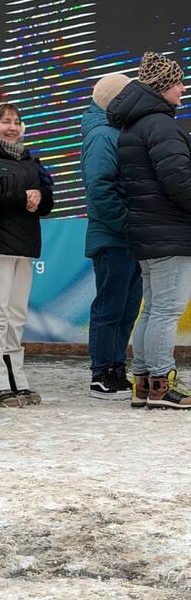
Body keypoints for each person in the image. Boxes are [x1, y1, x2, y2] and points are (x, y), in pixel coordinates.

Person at [110, 51, 191, 409]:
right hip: (168, 230)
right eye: (177, 82)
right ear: (161, 87)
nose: (183, 88)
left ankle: (144, 381)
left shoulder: (135, 125)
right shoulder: (161, 125)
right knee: (165, 309)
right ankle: (161, 383)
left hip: (148, 230)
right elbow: (179, 181)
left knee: (154, 308)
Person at [0, 101, 54, 406]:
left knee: (16, 316)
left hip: (24, 246)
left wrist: (40, 197)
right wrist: (21, 196)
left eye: (16, 121)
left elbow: (47, 200)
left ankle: (14, 380)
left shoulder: (28, 159)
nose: (12, 127)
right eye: (5, 121)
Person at [81, 73, 142, 399]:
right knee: (110, 307)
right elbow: (100, 187)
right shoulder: (103, 135)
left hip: (126, 237)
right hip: (112, 237)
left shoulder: (116, 131)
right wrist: (126, 224)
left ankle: (117, 367)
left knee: (126, 306)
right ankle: (102, 372)